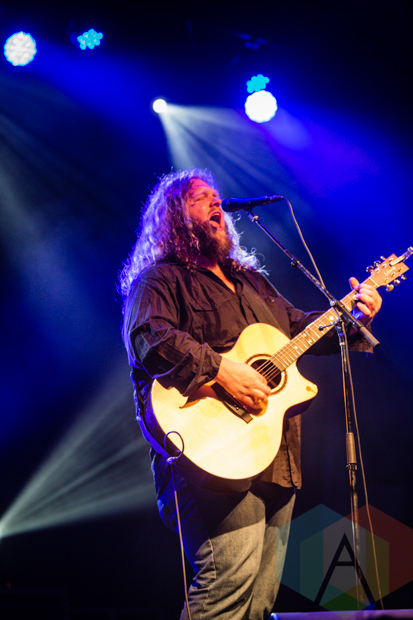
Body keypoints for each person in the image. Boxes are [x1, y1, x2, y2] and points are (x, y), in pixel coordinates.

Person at [118, 169, 382, 620]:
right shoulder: (160, 280)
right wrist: (222, 370)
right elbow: (151, 337)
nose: (216, 203)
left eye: (217, 197)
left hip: (274, 455)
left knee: (260, 602)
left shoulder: (251, 282)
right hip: (208, 455)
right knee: (226, 584)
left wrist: (353, 317)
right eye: (201, 198)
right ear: (174, 215)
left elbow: (299, 330)